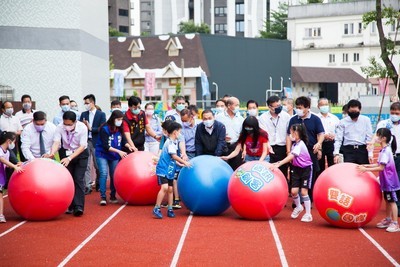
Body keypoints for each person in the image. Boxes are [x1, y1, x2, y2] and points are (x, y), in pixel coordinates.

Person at [358, 128, 400, 232]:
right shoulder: (383, 150)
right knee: (387, 200)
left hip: (390, 181)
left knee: (392, 201)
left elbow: (381, 168)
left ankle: (395, 223)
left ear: (383, 138)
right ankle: (388, 219)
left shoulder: (386, 151)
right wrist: (366, 165)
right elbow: (378, 164)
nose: (375, 138)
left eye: (377, 136)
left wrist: (366, 169)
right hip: (385, 180)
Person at [50, 111, 89, 217]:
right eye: (65, 124)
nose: (67, 126)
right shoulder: (59, 127)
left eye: (69, 124)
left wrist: (70, 158)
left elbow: (82, 146)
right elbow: (57, 142)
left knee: (78, 178)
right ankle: (70, 205)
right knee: (68, 179)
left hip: (80, 154)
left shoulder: (82, 128)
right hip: (66, 152)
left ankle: (79, 206)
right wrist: (52, 153)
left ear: (75, 122)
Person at [272, 124, 313, 222]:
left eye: (293, 132)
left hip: (305, 169)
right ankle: (299, 207)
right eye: (291, 132)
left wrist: (279, 164)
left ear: (299, 133)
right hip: (296, 169)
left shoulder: (300, 144)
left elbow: (291, 157)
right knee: (294, 191)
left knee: (303, 192)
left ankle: (308, 214)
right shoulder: (295, 145)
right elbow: (290, 156)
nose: (291, 134)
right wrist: (277, 163)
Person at [287, 96, 324, 202]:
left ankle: (308, 198)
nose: (298, 109)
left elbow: (320, 134)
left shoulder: (315, 119)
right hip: (296, 152)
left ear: (308, 107)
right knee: (295, 174)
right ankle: (297, 200)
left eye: (301, 107)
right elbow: (288, 136)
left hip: (310, 151)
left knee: (310, 174)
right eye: (297, 107)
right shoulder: (293, 119)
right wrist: (288, 151)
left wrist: (319, 144)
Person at [153, 121, 191, 219]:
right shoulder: (169, 142)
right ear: (175, 132)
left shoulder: (174, 142)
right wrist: (184, 162)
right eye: (179, 132)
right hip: (163, 169)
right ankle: (156, 208)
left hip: (170, 169)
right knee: (165, 188)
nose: (180, 134)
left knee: (170, 189)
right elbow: (173, 156)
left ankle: (170, 208)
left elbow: (171, 158)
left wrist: (178, 163)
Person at [96, 110, 131, 206]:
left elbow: (124, 141)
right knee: (103, 173)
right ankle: (103, 196)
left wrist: (129, 146)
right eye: (118, 119)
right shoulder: (105, 129)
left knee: (114, 174)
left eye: (121, 119)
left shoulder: (120, 128)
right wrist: (119, 151)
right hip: (102, 153)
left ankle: (113, 195)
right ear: (113, 119)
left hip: (114, 155)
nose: (120, 121)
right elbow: (105, 146)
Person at [375, 102, 400, 211]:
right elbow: (376, 135)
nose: (394, 115)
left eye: (397, 113)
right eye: (392, 112)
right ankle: (393, 204)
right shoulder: (384, 123)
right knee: (390, 183)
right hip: (390, 157)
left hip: (399, 156)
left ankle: (396, 205)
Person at [80, 94, 106, 194]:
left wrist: (91, 128)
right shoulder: (84, 114)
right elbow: (81, 127)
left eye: (87, 103)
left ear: (92, 103)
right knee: (86, 165)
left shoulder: (101, 114)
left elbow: (102, 128)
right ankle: (87, 186)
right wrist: (84, 126)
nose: (85, 105)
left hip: (97, 142)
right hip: (86, 141)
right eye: (85, 103)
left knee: (97, 165)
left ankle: (99, 183)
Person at [259, 95, 291, 177]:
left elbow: (289, 133)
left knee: (283, 171)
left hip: (283, 147)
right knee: (269, 171)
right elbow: (264, 135)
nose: (279, 108)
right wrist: (268, 147)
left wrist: (288, 150)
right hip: (270, 148)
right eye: (276, 106)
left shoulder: (286, 116)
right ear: (270, 107)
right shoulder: (263, 118)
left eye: (280, 105)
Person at [334, 99, 373, 165]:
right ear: (348, 110)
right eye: (351, 111)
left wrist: (370, 154)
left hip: (362, 150)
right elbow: (338, 139)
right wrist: (336, 153)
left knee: (363, 171)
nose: (353, 113)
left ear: (360, 110)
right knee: (349, 171)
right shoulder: (343, 122)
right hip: (348, 150)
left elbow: (369, 138)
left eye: (355, 111)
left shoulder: (366, 120)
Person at [0, 132, 24, 223]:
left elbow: (6, 163)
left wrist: (16, 164)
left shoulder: (7, 152)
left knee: (0, 194)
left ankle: (1, 215)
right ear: (9, 141)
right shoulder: (0, 150)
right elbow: (1, 159)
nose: (14, 144)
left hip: (1, 174)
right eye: (13, 142)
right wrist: (14, 167)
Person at [216, 96, 244, 170]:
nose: (238, 107)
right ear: (229, 106)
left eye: (238, 105)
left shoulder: (240, 118)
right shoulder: (219, 117)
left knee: (236, 169)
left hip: (236, 146)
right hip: (223, 146)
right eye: (236, 105)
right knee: (223, 169)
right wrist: (222, 137)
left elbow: (242, 133)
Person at [0, 101, 22, 186]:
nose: (10, 109)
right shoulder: (0, 119)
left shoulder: (15, 118)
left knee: (12, 160)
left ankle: (8, 182)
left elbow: (20, 131)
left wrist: (13, 134)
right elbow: (2, 159)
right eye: (8, 107)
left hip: (12, 144)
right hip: (3, 144)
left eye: (11, 107)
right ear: (3, 109)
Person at [316, 98, 339, 175]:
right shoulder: (316, 118)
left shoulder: (334, 118)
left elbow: (339, 132)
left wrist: (334, 135)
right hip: (320, 144)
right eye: (322, 105)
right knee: (320, 165)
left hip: (331, 143)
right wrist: (323, 136)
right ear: (318, 106)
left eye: (326, 104)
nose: (325, 106)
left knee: (332, 164)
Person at [16, 95, 35, 162]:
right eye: (25, 102)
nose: (27, 103)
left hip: (34, 137)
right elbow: (18, 128)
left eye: (28, 101)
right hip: (23, 137)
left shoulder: (35, 113)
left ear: (31, 102)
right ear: (22, 103)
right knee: (24, 158)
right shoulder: (18, 115)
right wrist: (29, 124)